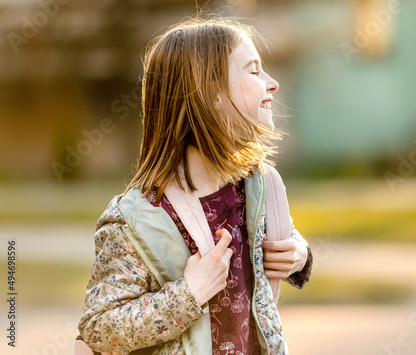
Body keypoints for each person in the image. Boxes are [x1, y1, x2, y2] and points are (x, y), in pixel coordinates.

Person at [77, 17, 313, 355]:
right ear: (212, 94)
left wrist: (299, 255)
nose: (272, 83)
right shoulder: (135, 220)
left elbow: (276, 247)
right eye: (254, 70)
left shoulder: (261, 185)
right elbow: (99, 329)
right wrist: (188, 293)